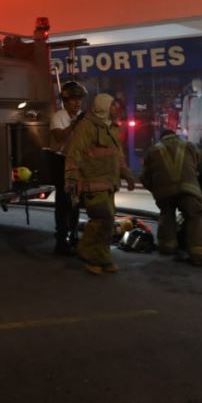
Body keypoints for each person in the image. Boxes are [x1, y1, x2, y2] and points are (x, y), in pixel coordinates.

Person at [64, 93, 136, 274]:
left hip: (108, 182)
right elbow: (74, 154)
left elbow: (117, 156)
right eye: (112, 106)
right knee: (101, 219)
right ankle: (88, 253)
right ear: (103, 107)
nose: (115, 109)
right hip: (93, 182)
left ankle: (102, 258)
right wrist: (71, 178)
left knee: (108, 221)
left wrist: (126, 174)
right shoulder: (86, 127)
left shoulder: (110, 128)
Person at [140, 130, 202, 266]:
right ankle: (199, 253)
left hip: (164, 192)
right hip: (188, 189)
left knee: (167, 215)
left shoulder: (153, 151)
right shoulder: (189, 146)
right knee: (195, 216)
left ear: (161, 138)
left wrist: (156, 190)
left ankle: (167, 247)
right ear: (175, 135)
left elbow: (145, 177)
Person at [46, 81, 86, 255]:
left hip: (77, 162)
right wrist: (74, 124)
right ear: (65, 100)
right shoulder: (59, 116)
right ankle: (60, 241)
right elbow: (59, 136)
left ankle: (74, 236)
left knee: (76, 202)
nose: (77, 103)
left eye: (80, 99)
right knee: (63, 203)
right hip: (60, 161)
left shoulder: (82, 116)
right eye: (73, 99)